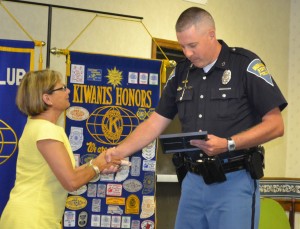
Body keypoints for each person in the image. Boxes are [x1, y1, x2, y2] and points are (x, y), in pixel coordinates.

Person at [105, 7, 288, 229]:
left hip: (234, 181)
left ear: (211, 35)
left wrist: (229, 144)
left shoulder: (244, 65)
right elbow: (154, 123)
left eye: (192, 45)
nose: (187, 53)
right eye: (183, 46)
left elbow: (276, 125)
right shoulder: (181, 73)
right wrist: (118, 152)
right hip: (192, 183)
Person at [0, 69, 122, 229]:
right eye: (62, 88)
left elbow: (64, 174)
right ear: (47, 98)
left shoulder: (37, 126)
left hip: (30, 216)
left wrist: (99, 165)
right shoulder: (47, 130)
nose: (68, 91)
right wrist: (97, 165)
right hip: (33, 219)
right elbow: (71, 182)